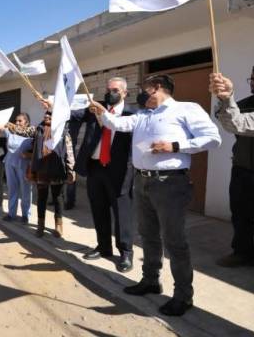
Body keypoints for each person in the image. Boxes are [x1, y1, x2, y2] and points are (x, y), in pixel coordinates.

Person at [90, 74, 221, 317]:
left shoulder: (186, 109)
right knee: (148, 235)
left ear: (157, 88)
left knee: (174, 241)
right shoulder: (141, 115)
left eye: (143, 89)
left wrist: (175, 146)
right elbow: (117, 125)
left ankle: (183, 295)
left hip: (170, 183)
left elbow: (213, 139)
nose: (140, 94)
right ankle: (151, 280)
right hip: (142, 180)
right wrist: (101, 112)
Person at [50, 77, 135, 272]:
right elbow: (73, 115)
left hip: (119, 170)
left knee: (122, 213)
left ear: (124, 93)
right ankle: (104, 247)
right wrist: (54, 106)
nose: (109, 93)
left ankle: (126, 253)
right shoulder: (95, 108)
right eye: (108, 89)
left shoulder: (132, 113)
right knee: (98, 209)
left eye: (114, 90)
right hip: (95, 167)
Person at [209, 66, 254, 267]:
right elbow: (226, 121)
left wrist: (228, 98)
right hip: (242, 170)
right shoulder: (244, 104)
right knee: (240, 215)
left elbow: (238, 123)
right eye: (252, 78)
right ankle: (243, 253)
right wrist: (222, 99)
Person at [0, 111, 35, 224]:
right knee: (12, 189)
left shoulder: (31, 133)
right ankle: (11, 214)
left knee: (25, 191)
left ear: (27, 122)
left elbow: (37, 149)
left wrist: (29, 155)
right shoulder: (10, 132)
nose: (17, 122)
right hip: (10, 163)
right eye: (16, 120)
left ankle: (26, 215)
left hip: (24, 165)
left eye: (20, 120)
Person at [29, 110, 76, 238]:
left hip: (57, 168)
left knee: (58, 198)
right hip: (42, 169)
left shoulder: (63, 132)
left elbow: (69, 151)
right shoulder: (38, 129)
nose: (46, 117)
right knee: (41, 198)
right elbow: (23, 131)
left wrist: (71, 170)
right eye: (45, 115)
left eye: (50, 115)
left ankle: (58, 225)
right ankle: (40, 225)